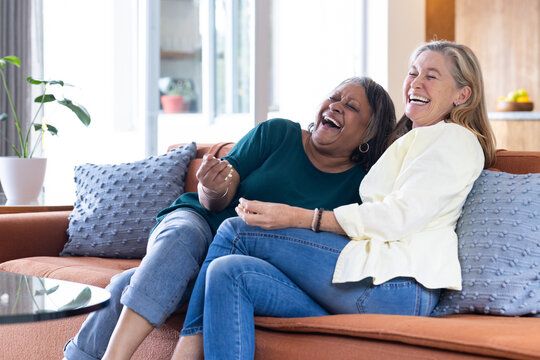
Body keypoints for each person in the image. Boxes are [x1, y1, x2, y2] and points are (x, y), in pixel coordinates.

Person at [174, 40, 497, 360]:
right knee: (230, 272)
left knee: (236, 231)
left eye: (431, 75)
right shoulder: (415, 140)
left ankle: (184, 355)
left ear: (461, 94)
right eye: (413, 72)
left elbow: (398, 216)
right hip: (367, 280)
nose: (416, 82)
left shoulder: (454, 138)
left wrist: (301, 218)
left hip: (395, 284)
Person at [63, 76, 396, 360]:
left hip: (239, 263)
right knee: (182, 238)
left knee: (125, 284)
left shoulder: (362, 188)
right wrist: (211, 185)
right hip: (200, 223)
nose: (336, 105)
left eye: (351, 107)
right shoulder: (277, 134)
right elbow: (217, 196)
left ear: (369, 134)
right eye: (334, 97)